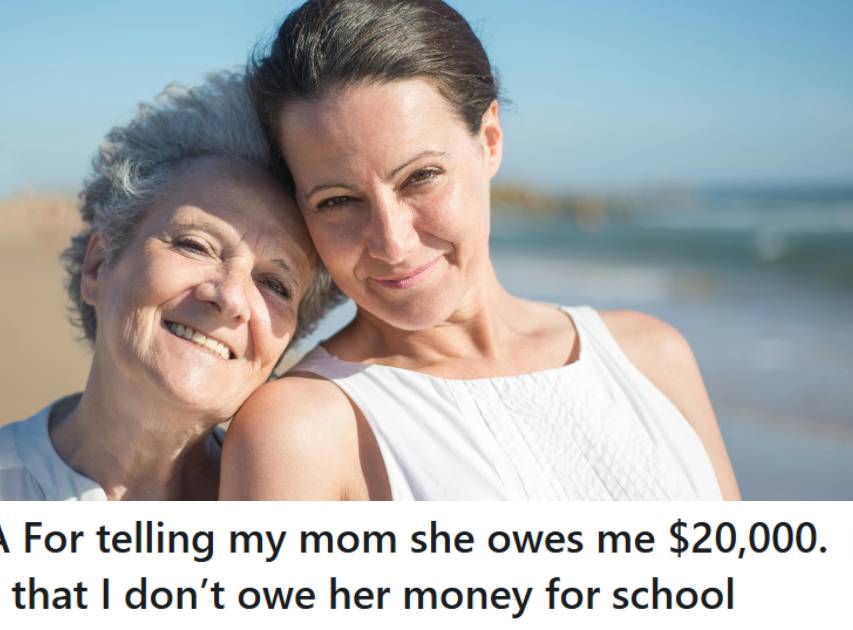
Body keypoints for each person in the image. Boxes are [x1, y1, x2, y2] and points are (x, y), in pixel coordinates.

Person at [0, 71, 337, 629]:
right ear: (98, 266)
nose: (230, 297)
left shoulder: (307, 534)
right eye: (196, 244)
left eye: (276, 284)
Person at [221, 0, 741, 501]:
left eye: (421, 176)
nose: (392, 242)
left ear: (489, 140)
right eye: (337, 200)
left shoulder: (651, 356)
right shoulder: (298, 430)